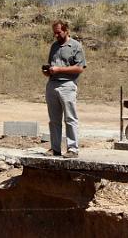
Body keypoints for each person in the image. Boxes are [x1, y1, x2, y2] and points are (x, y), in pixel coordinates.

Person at [43, 20, 87, 158]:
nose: (56, 35)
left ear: (66, 31)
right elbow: (52, 64)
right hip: (52, 84)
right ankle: (55, 148)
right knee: (54, 119)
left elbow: (79, 68)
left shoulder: (75, 46)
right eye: (54, 33)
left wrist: (59, 69)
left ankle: (73, 149)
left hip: (67, 85)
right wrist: (48, 71)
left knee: (70, 118)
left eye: (59, 32)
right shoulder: (54, 46)